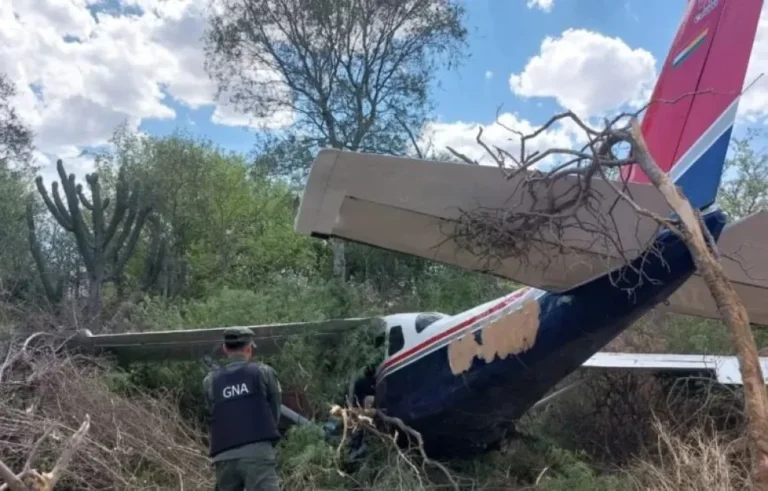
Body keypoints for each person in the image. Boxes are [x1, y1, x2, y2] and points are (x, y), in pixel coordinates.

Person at [203, 326, 282, 491]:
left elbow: (213, 412)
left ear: (225, 349)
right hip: (258, 454)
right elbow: (275, 410)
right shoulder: (264, 373)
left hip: (224, 456)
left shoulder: (210, 381)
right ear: (249, 348)